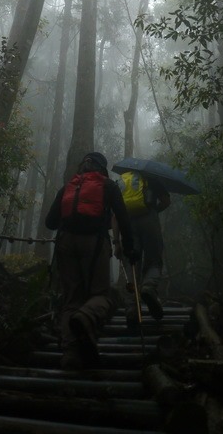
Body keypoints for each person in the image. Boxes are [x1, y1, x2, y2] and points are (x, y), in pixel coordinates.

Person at [45, 151, 136, 370]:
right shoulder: (108, 186)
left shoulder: (68, 186)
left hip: (66, 243)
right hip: (95, 243)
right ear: (102, 169)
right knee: (101, 295)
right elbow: (123, 218)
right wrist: (129, 248)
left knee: (71, 298)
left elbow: (50, 222)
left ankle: (71, 353)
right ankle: (86, 317)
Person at [113, 170, 170, 329]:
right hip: (149, 219)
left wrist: (117, 242)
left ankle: (132, 310)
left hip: (128, 223)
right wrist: (153, 211)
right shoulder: (151, 178)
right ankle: (148, 287)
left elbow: (115, 216)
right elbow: (166, 201)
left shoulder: (121, 183)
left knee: (131, 266)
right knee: (154, 261)